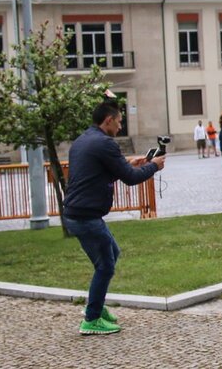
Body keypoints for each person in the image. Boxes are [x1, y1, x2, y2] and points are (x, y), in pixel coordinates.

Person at [63, 100, 165, 335]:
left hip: (78, 213)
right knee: (106, 265)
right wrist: (154, 167)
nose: (120, 126)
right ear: (108, 120)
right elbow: (130, 178)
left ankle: (96, 306)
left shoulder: (84, 140)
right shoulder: (105, 143)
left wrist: (130, 163)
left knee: (111, 255)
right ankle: (91, 319)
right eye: (119, 121)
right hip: (85, 216)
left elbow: (103, 171)